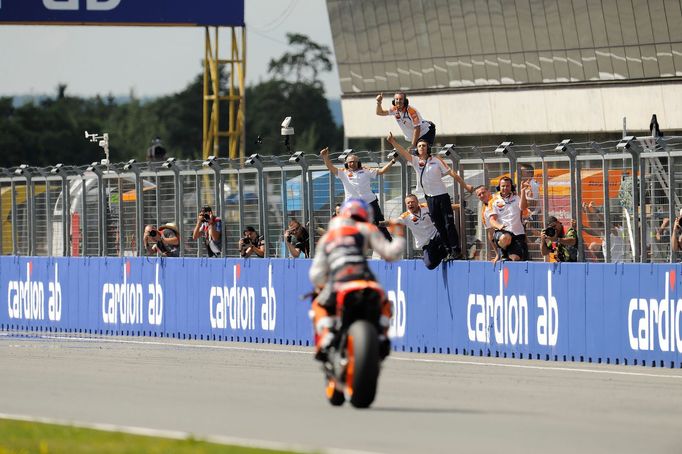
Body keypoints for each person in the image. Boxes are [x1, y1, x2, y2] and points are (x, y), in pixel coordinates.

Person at [309, 198, 405, 361]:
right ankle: (382, 334)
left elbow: (316, 274)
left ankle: (327, 335)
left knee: (319, 303)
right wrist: (400, 235)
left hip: (338, 281)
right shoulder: (367, 228)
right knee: (385, 303)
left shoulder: (328, 236)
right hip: (364, 279)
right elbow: (390, 254)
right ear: (365, 215)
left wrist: (321, 285)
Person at [387, 132, 463, 260]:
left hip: (440, 195)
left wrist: (461, 202)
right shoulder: (416, 161)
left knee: (448, 225)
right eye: (419, 146)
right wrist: (393, 142)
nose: (422, 148)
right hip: (427, 195)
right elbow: (404, 153)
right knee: (430, 261)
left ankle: (455, 250)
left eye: (424, 145)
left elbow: (450, 172)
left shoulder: (436, 160)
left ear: (428, 148)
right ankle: (445, 250)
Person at [320, 147, 395, 241]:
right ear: (346, 164)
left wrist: (393, 161)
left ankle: (389, 244)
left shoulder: (365, 170)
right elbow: (330, 167)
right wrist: (325, 157)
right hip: (352, 205)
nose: (352, 164)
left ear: (358, 162)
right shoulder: (343, 172)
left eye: (354, 161)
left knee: (379, 223)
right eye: (350, 162)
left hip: (370, 201)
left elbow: (382, 171)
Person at [385, 193, 459, 269]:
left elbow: (445, 207)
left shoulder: (426, 206)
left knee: (446, 230)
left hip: (436, 235)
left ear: (417, 202)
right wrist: (380, 224)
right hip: (426, 244)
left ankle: (453, 252)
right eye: (408, 203)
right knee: (430, 265)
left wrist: (459, 206)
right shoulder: (405, 216)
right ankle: (441, 254)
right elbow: (393, 222)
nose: (410, 204)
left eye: (412, 202)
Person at [488, 176, 530, 261]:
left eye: (507, 186)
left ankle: (508, 255)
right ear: (499, 187)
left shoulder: (516, 197)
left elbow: (523, 207)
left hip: (518, 234)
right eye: (503, 186)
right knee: (505, 237)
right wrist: (499, 226)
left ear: (511, 187)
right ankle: (502, 252)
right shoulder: (493, 200)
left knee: (515, 259)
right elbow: (492, 220)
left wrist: (522, 191)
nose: (505, 188)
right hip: (502, 233)